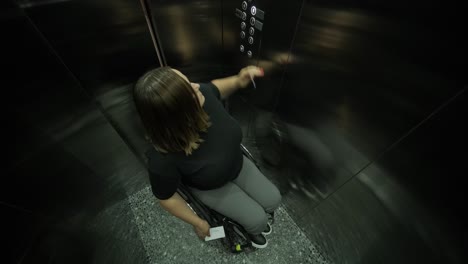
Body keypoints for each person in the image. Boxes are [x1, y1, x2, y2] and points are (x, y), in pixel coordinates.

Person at [133, 65, 282, 249]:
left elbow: (215, 88)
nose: (196, 86)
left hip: (238, 165)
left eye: (188, 81)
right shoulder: (162, 158)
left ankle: (254, 223)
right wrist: (197, 222)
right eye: (188, 90)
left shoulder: (202, 96)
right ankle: (252, 231)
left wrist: (238, 79)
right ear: (177, 114)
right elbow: (167, 198)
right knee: (258, 221)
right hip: (211, 188)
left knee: (273, 199)